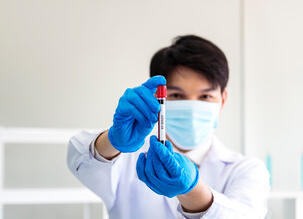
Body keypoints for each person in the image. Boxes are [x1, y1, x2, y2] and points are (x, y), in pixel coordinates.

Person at [67, 35, 270, 219]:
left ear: (223, 100)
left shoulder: (246, 170)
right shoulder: (128, 158)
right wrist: (113, 141)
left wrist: (193, 191)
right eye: (176, 95)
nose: (191, 108)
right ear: (158, 96)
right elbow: (79, 160)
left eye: (205, 96)